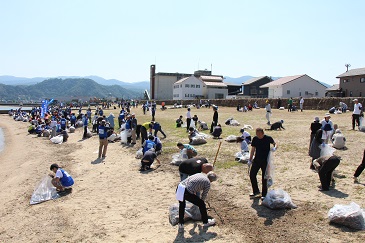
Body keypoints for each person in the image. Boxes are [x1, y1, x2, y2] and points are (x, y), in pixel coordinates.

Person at [248, 128, 277, 200]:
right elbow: (253, 149)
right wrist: (250, 159)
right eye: (256, 134)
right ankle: (256, 191)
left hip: (265, 161)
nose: (258, 135)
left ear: (262, 133)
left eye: (259, 134)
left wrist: (275, 147)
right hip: (257, 160)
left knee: (265, 177)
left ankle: (264, 194)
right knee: (252, 174)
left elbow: (275, 143)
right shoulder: (255, 139)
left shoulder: (268, 138)